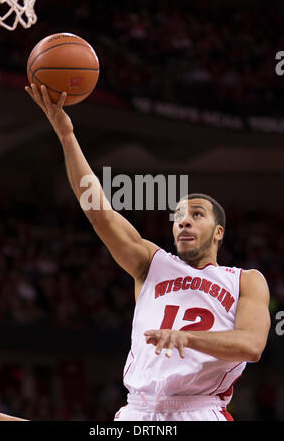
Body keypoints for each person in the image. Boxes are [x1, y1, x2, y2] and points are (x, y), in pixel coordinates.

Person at [25, 84, 271, 421]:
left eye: (196, 215)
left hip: (198, 410)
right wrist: (67, 135)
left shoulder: (246, 281)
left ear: (218, 233)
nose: (183, 222)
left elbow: (251, 345)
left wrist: (187, 337)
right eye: (178, 217)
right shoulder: (151, 263)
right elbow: (99, 211)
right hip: (136, 411)